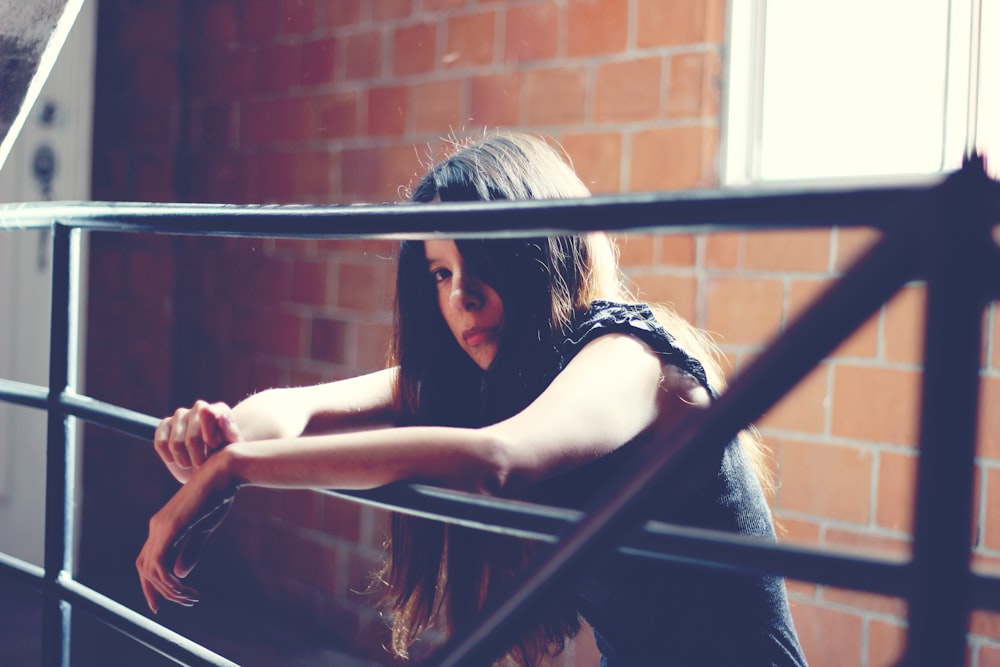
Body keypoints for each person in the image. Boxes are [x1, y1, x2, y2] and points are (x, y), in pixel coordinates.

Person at [137, 132, 808, 666]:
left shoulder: (630, 356)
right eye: (441, 271)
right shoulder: (502, 370)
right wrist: (215, 435)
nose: (462, 297)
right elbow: (300, 407)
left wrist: (235, 472)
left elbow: (497, 459)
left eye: (486, 262)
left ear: (543, 253)